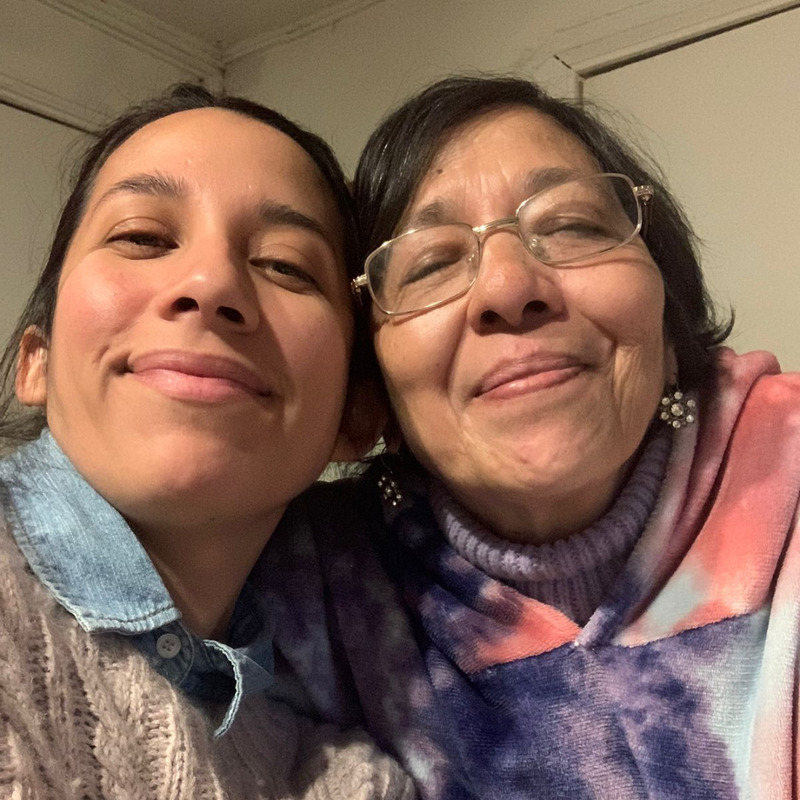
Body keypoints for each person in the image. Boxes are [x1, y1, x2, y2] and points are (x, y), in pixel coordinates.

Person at [259, 76, 800, 799]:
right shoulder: (305, 592)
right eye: (431, 263)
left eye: (572, 225)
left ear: (669, 325)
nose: (510, 288)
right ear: (372, 393)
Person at [0, 84, 414, 800]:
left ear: (356, 415)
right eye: (142, 237)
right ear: (35, 361)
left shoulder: (346, 778)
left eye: (285, 265)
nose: (211, 281)